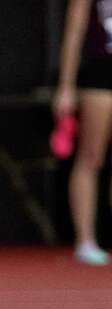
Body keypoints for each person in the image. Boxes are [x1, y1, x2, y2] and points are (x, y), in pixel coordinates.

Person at [55, 0, 112, 265]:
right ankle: (85, 239)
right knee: (92, 156)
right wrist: (66, 86)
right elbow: (74, 31)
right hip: (101, 72)